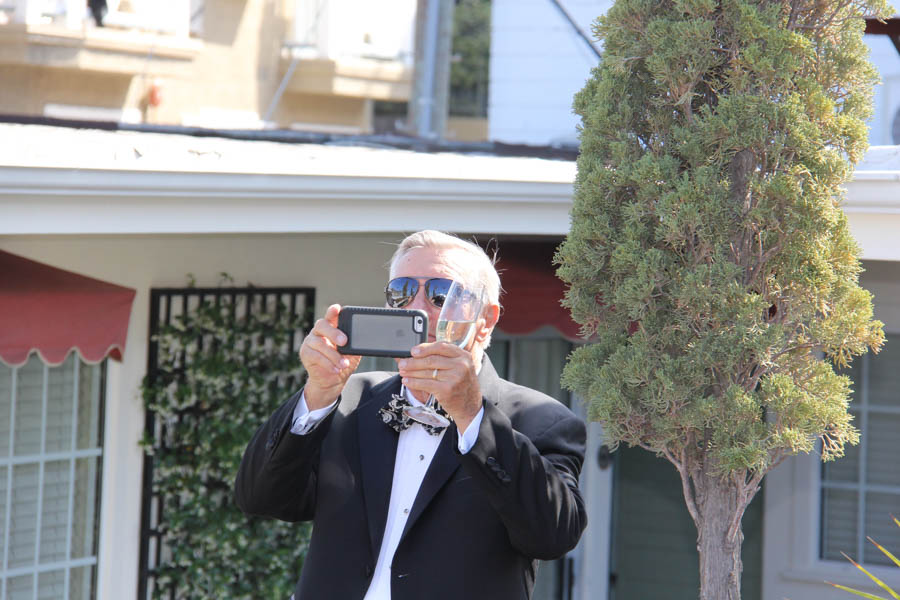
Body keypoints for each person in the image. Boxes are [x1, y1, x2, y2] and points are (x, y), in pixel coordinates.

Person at [234, 230, 587, 600]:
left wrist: (471, 415)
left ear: (485, 318)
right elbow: (259, 498)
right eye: (401, 292)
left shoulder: (541, 420)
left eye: (440, 294)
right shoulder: (350, 400)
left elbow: (553, 535)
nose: (417, 308)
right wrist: (317, 393)